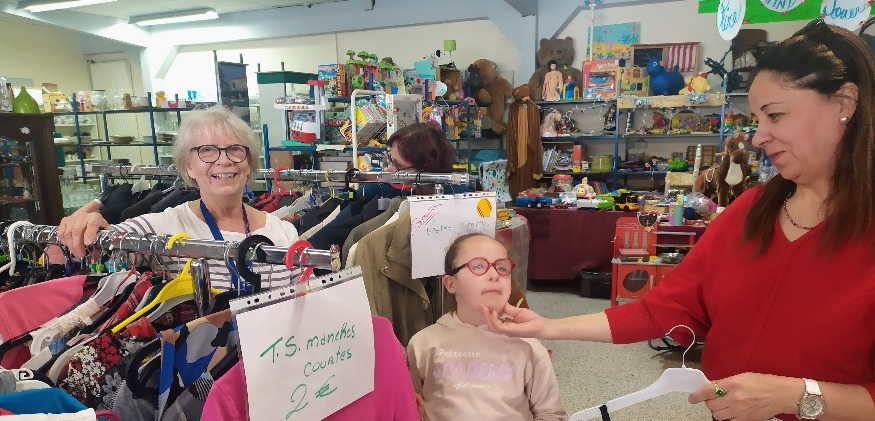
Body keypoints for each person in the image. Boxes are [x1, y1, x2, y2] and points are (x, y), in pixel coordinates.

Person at [483, 20, 875, 421]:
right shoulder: (749, 212)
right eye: (757, 119)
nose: (759, 137)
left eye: (775, 115)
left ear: (844, 103)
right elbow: (663, 309)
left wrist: (798, 396)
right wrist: (546, 326)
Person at [57, 106, 300, 290]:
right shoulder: (162, 227)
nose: (224, 160)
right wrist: (82, 225)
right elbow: (74, 253)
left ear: (249, 163)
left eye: (235, 149)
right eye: (207, 150)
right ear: (188, 166)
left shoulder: (283, 232)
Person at [407, 233, 566, 421]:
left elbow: (550, 414)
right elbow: (408, 406)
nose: (494, 275)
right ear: (450, 284)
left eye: (502, 267)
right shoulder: (423, 344)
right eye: (478, 266)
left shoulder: (528, 345)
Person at [358, 121, 466, 197]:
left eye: (398, 165)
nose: (389, 169)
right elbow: (351, 198)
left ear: (425, 167)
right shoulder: (383, 187)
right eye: (390, 159)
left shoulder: (462, 197)